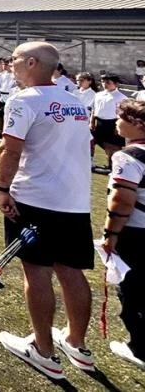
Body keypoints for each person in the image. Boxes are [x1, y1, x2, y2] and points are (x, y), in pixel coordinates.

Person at [0, 42, 95, 379]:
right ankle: (77, 344)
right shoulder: (75, 100)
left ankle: (43, 349)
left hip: (36, 197)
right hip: (75, 198)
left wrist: (2, 189)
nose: (10, 65)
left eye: (14, 60)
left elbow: (10, 149)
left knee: (36, 272)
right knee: (71, 270)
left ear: (32, 63)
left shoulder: (23, 100)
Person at [101, 99, 145, 368]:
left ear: (137, 124)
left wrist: (110, 233)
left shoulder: (128, 156)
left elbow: (122, 200)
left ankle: (139, 347)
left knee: (132, 289)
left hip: (137, 232)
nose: (116, 122)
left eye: (121, 118)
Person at [93, 74, 129, 173]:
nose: (104, 84)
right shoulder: (98, 95)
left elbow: (122, 115)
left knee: (113, 147)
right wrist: (92, 122)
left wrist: (117, 128)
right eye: (103, 81)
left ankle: (113, 167)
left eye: (108, 82)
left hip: (113, 123)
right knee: (100, 144)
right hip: (99, 122)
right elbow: (94, 109)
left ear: (116, 84)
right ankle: (99, 164)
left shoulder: (122, 98)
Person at [0, 59, 18, 137]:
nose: (4, 66)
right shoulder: (3, 74)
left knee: (7, 116)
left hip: (10, 96)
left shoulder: (14, 75)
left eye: (6, 64)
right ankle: (0, 131)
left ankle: (6, 132)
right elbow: (1, 86)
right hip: (2, 96)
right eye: (3, 64)